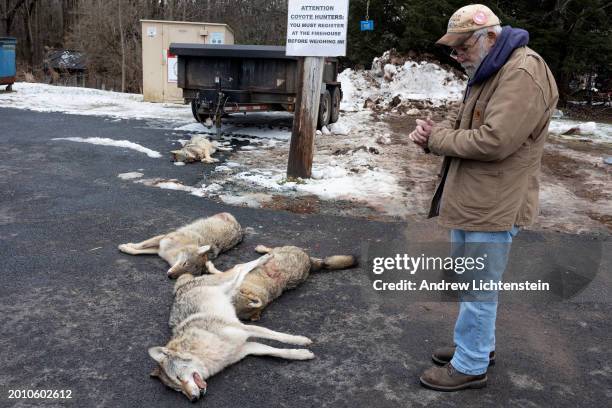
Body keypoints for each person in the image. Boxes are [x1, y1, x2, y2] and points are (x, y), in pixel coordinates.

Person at [409, 4, 558, 391]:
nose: (457, 55)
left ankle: (471, 365)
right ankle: (477, 347)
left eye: (462, 47)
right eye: (453, 49)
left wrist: (437, 140)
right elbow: (471, 127)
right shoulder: (492, 67)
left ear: (489, 37)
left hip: (495, 203)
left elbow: (495, 140)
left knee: (477, 286)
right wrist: (434, 136)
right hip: (480, 199)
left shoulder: (522, 72)